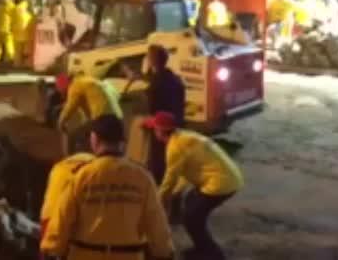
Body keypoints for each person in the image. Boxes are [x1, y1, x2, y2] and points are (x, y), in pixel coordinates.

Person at [41, 115, 174, 260]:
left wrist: (51, 250)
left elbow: (62, 219)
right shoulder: (142, 177)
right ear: (123, 142)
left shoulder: (81, 176)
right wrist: (164, 252)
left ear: (94, 139)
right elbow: (156, 224)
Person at [145, 111, 243, 260]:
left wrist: (157, 200)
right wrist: (174, 193)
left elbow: (170, 179)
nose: (153, 132)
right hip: (228, 177)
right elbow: (184, 173)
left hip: (219, 184)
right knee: (191, 204)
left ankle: (214, 254)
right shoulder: (183, 136)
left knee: (192, 219)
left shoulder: (174, 148)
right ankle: (201, 248)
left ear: (160, 131)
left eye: (154, 129)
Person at [141, 45, 186, 185]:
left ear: (152, 61)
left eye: (149, 58)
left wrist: (147, 123)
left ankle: (159, 193)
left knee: (159, 163)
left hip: (162, 127)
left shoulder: (156, 85)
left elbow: (153, 109)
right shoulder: (174, 78)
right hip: (177, 124)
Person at [55, 73, 123, 154]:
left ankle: (70, 161)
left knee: (73, 137)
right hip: (118, 118)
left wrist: (60, 122)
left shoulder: (75, 86)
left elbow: (70, 107)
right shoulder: (88, 81)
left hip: (102, 118)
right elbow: (87, 114)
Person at [0, 0, 16, 64]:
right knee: (9, 43)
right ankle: (10, 58)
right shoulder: (12, 5)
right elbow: (14, 17)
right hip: (7, 28)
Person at [12, 0, 34, 67]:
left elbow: (13, 18)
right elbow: (33, 17)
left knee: (18, 49)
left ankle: (17, 64)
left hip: (17, 30)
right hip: (27, 29)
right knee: (27, 49)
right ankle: (27, 64)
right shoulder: (29, 6)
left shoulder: (16, 7)